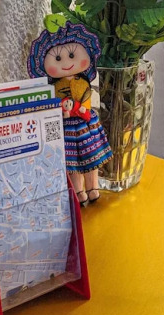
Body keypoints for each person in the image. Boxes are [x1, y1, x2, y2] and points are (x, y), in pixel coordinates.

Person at [27, 22, 112, 205]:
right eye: (57, 59)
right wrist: (63, 110)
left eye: (72, 55)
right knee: (72, 162)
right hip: (66, 127)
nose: (66, 63)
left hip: (86, 123)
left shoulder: (84, 82)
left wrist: (82, 108)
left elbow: (87, 97)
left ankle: (93, 187)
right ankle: (78, 191)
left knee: (92, 158)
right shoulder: (55, 87)